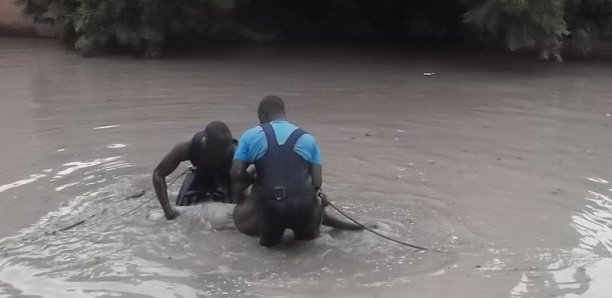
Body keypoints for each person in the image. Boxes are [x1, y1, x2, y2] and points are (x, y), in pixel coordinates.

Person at [231, 95, 357, 247]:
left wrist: (255, 181)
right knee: (307, 249)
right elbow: (317, 182)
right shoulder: (308, 138)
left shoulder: (250, 135)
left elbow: (236, 174)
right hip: (304, 207)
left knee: (270, 251)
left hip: (272, 207)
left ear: (263, 114)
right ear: (283, 113)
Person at [153, 121, 236, 220]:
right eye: (220, 152)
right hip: (200, 172)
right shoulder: (186, 147)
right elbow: (158, 174)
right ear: (206, 143)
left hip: (225, 176)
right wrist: (167, 211)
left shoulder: (235, 153)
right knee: (180, 214)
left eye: (226, 150)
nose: (224, 153)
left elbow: (239, 184)